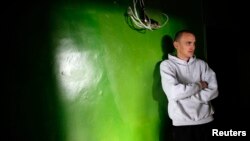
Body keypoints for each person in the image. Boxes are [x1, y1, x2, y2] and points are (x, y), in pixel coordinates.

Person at [159, 29, 219, 141]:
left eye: (194, 43)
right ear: (176, 45)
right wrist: (199, 85)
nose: (193, 46)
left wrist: (186, 97)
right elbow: (173, 93)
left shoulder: (202, 64)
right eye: (188, 43)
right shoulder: (166, 65)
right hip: (182, 125)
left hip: (206, 121)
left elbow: (214, 90)